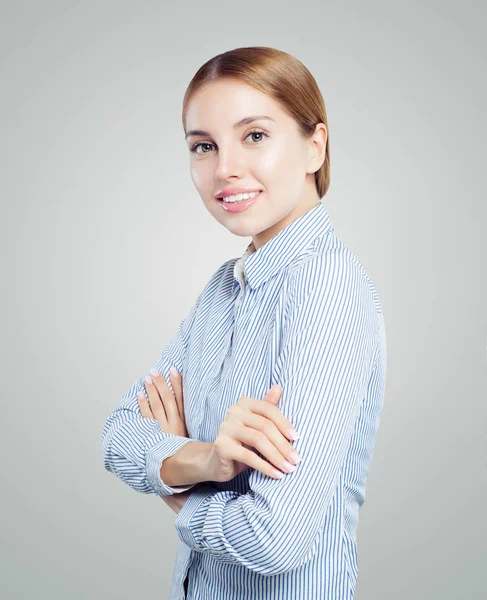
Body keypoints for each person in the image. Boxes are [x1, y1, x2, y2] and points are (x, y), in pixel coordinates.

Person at [101, 46, 387, 600]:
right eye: (203, 146)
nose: (224, 168)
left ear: (314, 146)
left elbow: (275, 538)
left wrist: (178, 490)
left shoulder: (325, 289)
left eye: (254, 135)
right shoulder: (222, 289)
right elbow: (117, 435)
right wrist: (207, 458)